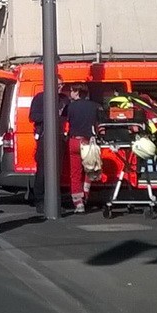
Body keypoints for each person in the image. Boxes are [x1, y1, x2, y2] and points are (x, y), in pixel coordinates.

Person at [29, 75, 67, 213]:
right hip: (45, 137)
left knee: (58, 171)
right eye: (58, 86)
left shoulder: (64, 99)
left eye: (62, 85)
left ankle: (55, 200)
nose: (60, 88)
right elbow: (33, 116)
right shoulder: (40, 98)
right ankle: (39, 200)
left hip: (59, 137)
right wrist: (50, 115)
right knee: (43, 170)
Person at [64, 83, 102, 214]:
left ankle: (78, 203)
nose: (70, 93)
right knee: (90, 169)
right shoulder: (94, 106)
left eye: (72, 91)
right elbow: (98, 125)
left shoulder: (71, 107)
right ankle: (85, 192)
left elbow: (67, 122)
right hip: (88, 142)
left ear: (77, 92)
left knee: (75, 174)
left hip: (74, 141)